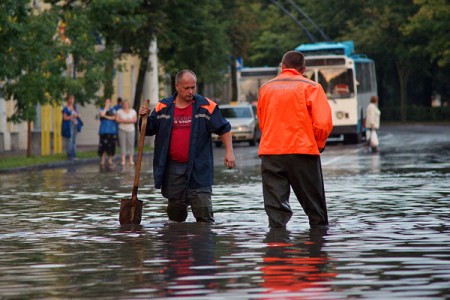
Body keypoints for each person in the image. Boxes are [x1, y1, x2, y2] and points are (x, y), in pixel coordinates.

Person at [139, 69, 236, 223]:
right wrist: (144, 118)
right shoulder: (163, 107)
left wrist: (229, 152)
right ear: (177, 86)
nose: (191, 91)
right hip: (173, 169)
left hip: (199, 168)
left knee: (203, 213)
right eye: (187, 88)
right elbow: (149, 130)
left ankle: (202, 243)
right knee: (175, 216)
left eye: (193, 87)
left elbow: (224, 129)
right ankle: (177, 243)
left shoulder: (206, 106)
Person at [257, 50, 333, 228]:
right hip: (302, 152)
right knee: (315, 209)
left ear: (282, 67)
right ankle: (317, 247)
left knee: (275, 211)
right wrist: (318, 144)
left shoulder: (265, 88)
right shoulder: (312, 87)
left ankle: (276, 248)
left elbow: (262, 120)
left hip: (271, 153)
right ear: (303, 69)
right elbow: (322, 123)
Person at [116, 99, 137, 165]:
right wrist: (128, 120)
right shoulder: (119, 111)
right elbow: (117, 120)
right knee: (123, 144)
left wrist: (123, 120)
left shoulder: (133, 111)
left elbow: (134, 120)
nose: (126, 105)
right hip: (122, 129)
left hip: (131, 130)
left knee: (131, 144)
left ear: (129, 104)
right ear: (122, 105)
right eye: (124, 104)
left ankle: (131, 159)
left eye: (127, 104)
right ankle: (123, 160)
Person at [98, 98, 118, 166]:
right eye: (106, 102)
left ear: (110, 103)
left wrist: (106, 116)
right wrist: (106, 108)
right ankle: (103, 160)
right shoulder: (102, 109)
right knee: (103, 146)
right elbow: (102, 115)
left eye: (108, 102)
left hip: (112, 130)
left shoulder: (113, 109)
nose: (107, 103)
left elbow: (114, 118)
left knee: (111, 145)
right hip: (103, 130)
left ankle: (110, 159)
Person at [62, 95, 82, 160]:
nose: (72, 100)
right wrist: (72, 116)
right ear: (68, 100)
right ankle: (70, 155)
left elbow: (78, 115)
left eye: (73, 99)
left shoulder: (75, 108)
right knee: (70, 140)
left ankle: (74, 155)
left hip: (75, 125)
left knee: (74, 140)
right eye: (70, 99)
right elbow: (64, 118)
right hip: (69, 125)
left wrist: (78, 115)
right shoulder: (66, 108)